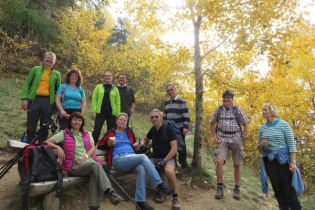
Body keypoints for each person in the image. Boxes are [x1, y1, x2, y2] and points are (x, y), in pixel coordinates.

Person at [44, 112, 124, 210]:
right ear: (70, 121)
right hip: (74, 166)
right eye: (74, 119)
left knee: (94, 174)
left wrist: (85, 157)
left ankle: (93, 207)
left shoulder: (87, 134)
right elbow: (46, 142)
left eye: (79, 120)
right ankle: (110, 192)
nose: (77, 122)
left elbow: (93, 148)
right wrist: (57, 147)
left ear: (82, 122)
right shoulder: (64, 133)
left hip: (88, 163)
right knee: (95, 166)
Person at [98, 113, 175, 210]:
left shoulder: (129, 132)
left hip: (131, 157)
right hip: (118, 159)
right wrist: (108, 144)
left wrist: (137, 146)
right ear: (116, 121)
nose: (122, 121)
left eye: (124, 120)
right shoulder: (111, 133)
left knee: (141, 168)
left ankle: (140, 203)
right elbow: (100, 145)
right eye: (120, 119)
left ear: (126, 122)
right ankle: (159, 185)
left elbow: (134, 146)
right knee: (142, 157)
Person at [257, 103, 303, 210]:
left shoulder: (284, 125)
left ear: (272, 111)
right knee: (277, 188)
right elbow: (259, 147)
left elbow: (291, 145)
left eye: (265, 110)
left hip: (284, 160)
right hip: (269, 161)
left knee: (288, 189)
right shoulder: (262, 128)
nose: (263, 112)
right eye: (262, 110)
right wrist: (261, 144)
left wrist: (293, 162)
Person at [209, 90, 249, 200]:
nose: (226, 99)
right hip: (222, 140)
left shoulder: (237, 110)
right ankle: (219, 187)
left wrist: (242, 137)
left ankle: (236, 189)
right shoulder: (218, 110)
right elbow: (212, 123)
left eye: (228, 97)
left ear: (232, 99)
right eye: (224, 97)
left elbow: (246, 124)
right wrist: (215, 137)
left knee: (237, 165)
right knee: (219, 161)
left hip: (236, 139)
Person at [141, 109, 181, 210]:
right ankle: (162, 190)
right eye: (152, 117)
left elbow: (174, 149)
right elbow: (145, 139)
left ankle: (175, 197)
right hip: (154, 158)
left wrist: (163, 162)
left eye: (156, 116)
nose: (154, 119)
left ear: (161, 117)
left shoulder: (169, 129)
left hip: (169, 158)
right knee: (141, 171)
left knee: (168, 170)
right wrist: (142, 144)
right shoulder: (153, 129)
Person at [20, 51, 61, 143]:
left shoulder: (56, 74)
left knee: (45, 127)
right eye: (48, 58)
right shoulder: (35, 69)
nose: (49, 60)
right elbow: (27, 84)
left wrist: (57, 105)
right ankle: (29, 147)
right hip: (34, 100)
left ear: (54, 62)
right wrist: (25, 99)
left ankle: (41, 149)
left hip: (48, 102)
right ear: (43, 59)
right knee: (31, 125)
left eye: (52, 59)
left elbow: (58, 90)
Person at [164, 84, 191, 175]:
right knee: (171, 147)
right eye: (168, 90)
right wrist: (163, 116)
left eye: (171, 89)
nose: (170, 91)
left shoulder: (182, 101)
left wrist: (186, 127)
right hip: (170, 128)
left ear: (175, 89)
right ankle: (173, 165)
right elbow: (167, 115)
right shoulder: (167, 103)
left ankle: (184, 166)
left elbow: (186, 116)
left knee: (181, 146)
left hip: (179, 128)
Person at [91, 72, 120, 144]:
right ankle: (92, 146)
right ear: (104, 78)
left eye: (109, 76)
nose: (107, 77)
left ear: (111, 77)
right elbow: (94, 99)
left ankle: (109, 147)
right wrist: (94, 111)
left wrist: (118, 115)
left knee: (111, 131)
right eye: (106, 76)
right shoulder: (98, 87)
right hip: (100, 112)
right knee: (96, 130)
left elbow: (118, 102)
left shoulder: (115, 89)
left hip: (112, 113)